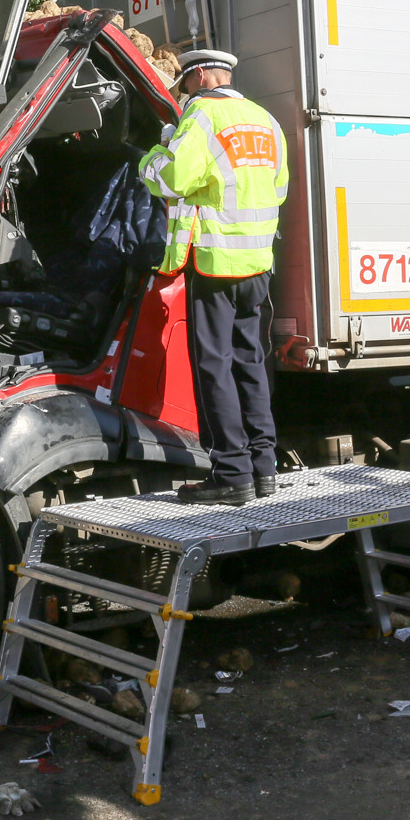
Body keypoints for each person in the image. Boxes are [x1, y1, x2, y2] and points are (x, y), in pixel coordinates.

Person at [137, 49, 290, 505]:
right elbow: (277, 186)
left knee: (214, 367)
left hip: (214, 262)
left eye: (184, 82)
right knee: (250, 362)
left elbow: (173, 180)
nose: (183, 91)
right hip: (257, 265)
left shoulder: (201, 115)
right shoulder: (264, 119)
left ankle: (231, 474)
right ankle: (264, 469)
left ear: (200, 75)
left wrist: (156, 153)